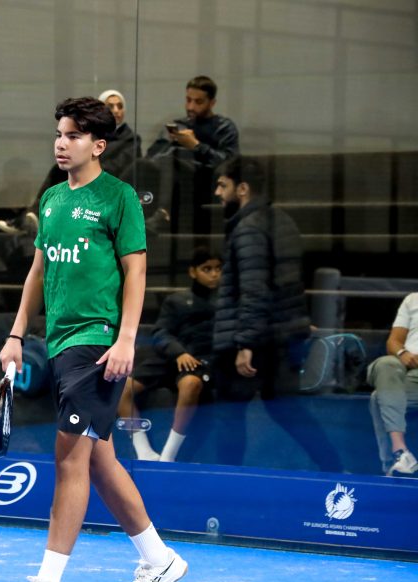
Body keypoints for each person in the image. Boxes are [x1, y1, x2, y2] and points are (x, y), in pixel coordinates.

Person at [1, 96, 187, 582]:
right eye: (59, 134)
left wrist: (126, 338)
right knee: (99, 460)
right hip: (61, 342)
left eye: (73, 136)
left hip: (99, 342)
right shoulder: (52, 200)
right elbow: (38, 271)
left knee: (69, 457)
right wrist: (16, 334)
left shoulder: (120, 198)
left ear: (98, 145)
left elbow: (136, 271)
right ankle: (160, 559)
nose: (62, 144)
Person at [211, 156, 342, 472]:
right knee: (287, 410)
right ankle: (333, 467)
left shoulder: (248, 229)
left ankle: (226, 480)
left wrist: (245, 343)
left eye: (223, 185)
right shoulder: (282, 221)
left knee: (230, 415)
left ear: (242, 188)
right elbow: (287, 284)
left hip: (253, 339)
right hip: (280, 334)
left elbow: (254, 289)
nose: (217, 193)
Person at [119, 245, 220, 462]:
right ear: (193, 271)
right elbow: (160, 332)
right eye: (207, 269)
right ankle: (143, 451)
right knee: (120, 388)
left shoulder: (223, 304)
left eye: (217, 269)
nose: (214, 274)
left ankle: (168, 455)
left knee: (191, 384)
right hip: (170, 358)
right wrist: (178, 353)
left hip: (200, 362)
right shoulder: (176, 301)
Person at [0, 89, 141, 235]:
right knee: (58, 171)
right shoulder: (95, 135)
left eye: (119, 106)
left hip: (106, 181)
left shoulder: (129, 140)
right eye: (110, 106)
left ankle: (30, 219)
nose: (116, 110)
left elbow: (121, 165)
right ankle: (31, 217)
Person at [138, 76, 240, 234]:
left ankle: (164, 215)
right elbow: (151, 157)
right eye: (188, 100)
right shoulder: (180, 125)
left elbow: (229, 162)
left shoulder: (224, 128)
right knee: (140, 164)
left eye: (198, 102)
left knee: (169, 160)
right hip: (170, 178)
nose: (191, 107)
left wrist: (196, 146)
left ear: (212, 103)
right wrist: (168, 143)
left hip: (204, 181)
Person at [368, 292, 418, 475]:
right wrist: (403, 354)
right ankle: (401, 452)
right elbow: (393, 342)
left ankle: (391, 462)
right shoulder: (413, 299)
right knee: (385, 363)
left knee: (378, 398)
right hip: (405, 364)